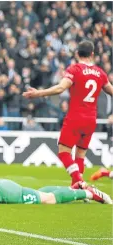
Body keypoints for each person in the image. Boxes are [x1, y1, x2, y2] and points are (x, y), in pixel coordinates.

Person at [22, 40, 113, 188]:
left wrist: (38, 93)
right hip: (91, 120)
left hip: (75, 118)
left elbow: (60, 88)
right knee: (80, 156)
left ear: (77, 54)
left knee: (64, 153)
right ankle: (76, 187)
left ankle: (80, 182)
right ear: (92, 54)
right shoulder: (101, 73)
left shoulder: (74, 69)